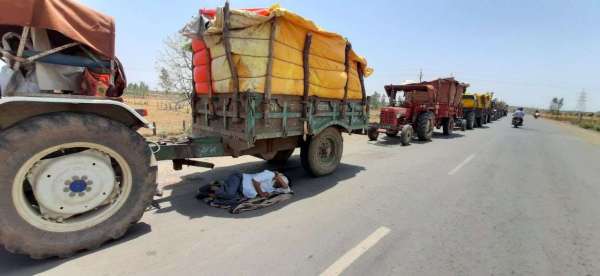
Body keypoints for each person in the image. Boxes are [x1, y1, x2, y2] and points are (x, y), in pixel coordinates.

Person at [207, 170, 290, 203]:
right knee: (229, 194)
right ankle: (217, 185)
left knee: (232, 200)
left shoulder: (278, 188)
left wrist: (281, 182)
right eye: (279, 182)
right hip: (240, 179)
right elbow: (255, 181)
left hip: (242, 191)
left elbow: (287, 190)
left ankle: (211, 193)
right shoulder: (270, 174)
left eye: (281, 184)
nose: (279, 185)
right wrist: (261, 193)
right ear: (277, 178)